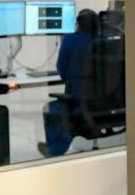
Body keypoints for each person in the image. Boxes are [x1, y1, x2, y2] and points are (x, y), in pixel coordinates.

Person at [39, 9, 98, 156]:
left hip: (80, 102)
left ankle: (55, 150)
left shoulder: (70, 40)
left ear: (78, 24)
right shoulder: (105, 41)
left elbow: (62, 69)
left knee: (52, 109)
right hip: (105, 104)